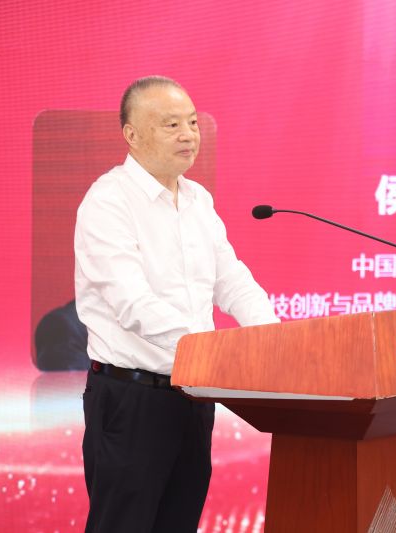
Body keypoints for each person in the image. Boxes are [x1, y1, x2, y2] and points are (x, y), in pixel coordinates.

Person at [74, 76, 278, 533]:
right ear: (131, 134)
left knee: (179, 522)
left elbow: (232, 282)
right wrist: (214, 352)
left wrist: (273, 339)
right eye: (171, 125)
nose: (188, 135)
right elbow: (132, 302)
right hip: (131, 401)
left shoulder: (198, 200)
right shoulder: (108, 202)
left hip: (194, 397)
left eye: (192, 122)